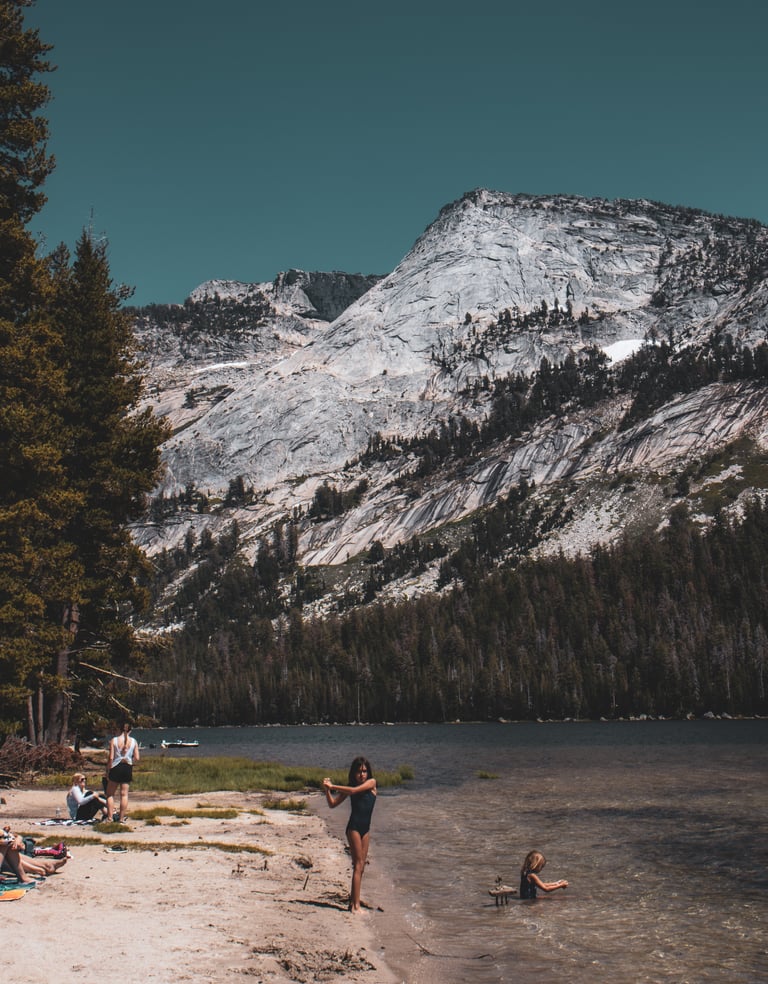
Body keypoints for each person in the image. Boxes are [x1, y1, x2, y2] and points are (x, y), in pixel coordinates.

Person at [323, 756, 377, 913]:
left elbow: (354, 791)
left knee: (361, 867)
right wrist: (327, 790)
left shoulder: (372, 783)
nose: (362, 774)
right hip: (353, 828)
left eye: (364, 771)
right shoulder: (350, 787)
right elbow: (332, 804)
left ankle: (353, 902)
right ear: (353, 773)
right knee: (358, 865)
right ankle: (355, 906)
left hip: (366, 829)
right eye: (359, 772)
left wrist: (333, 786)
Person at [105, 721, 140, 823]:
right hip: (127, 767)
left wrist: (108, 770)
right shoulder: (133, 741)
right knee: (124, 795)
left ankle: (110, 818)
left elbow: (111, 757)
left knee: (110, 794)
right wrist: (130, 760)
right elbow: (137, 758)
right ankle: (121, 819)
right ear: (130, 731)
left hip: (116, 766)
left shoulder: (114, 740)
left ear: (119, 730)